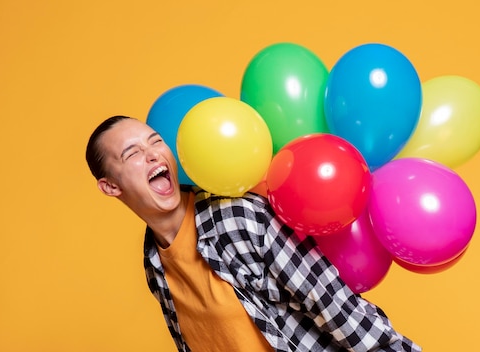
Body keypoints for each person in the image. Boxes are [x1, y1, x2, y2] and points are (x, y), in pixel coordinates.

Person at [86, 115, 421, 352]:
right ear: (110, 186)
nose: (152, 154)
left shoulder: (238, 217)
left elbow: (338, 307)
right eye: (132, 154)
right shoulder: (154, 265)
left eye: (156, 141)